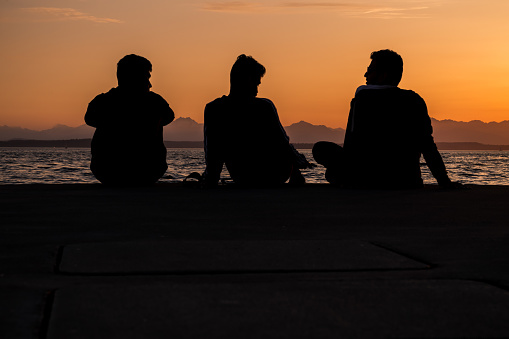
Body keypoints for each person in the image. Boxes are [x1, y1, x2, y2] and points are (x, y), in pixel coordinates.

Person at [313, 49, 459, 189]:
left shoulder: (362, 99)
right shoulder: (414, 100)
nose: (365, 74)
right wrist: (443, 180)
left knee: (320, 149)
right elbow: (427, 144)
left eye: (370, 70)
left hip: (366, 180)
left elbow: (352, 143)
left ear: (383, 75)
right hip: (406, 181)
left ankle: (352, 179)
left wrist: (348, 176)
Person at [203, 54, 313, 187]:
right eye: (255, 83)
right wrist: (298, 161)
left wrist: (210, 178)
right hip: (273, 175)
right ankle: (295, 171)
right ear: (247, 80)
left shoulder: (214, 109)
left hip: (241, 176)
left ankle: (294, 169)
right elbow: (282, 143)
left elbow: (213, 153)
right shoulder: (264, 106)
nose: (256, 90)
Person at [85, 54, 174, 186]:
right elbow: (168, 117)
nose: (150, 84)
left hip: (107, 172)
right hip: (147, 172)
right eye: (146, 78)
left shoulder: (102, 101)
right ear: (135, 78)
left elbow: (90, 120)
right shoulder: (155, 101)